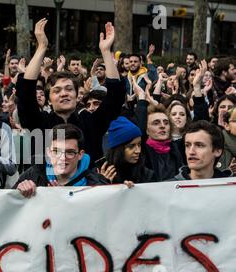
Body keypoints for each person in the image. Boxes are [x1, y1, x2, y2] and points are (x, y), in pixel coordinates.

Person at [16, 19, 125, 163]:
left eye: (69, 89)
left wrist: (106, 52)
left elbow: (115, 97)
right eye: (57, 91)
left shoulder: (90, 122)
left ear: (77, 96)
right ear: (49, 99)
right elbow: (25, 92)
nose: (64, 93)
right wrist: (41, 47)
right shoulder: (39, 123)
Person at [14, 124, 109, 198]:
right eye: (56, 151)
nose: (62, 157)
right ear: (48, 152)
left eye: (70, 152)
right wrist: (17, 193)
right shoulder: (32, 175)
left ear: (80, 154)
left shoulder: (98, 184)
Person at [99, 116, 155, 184]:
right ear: (118, 149)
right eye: (131, 146)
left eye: (139, 145)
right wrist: (103, 184)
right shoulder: (100, 173)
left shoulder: (146, 174)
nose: (138, 151)